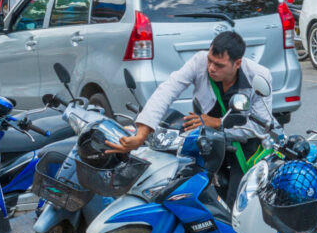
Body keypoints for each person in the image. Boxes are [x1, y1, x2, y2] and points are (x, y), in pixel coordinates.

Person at [108, 31, 274, 198]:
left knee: (237, 198)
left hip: (245, 147)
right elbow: (167, 90)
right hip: (208, 141)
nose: (211, 68)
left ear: (237, 63)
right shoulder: (199, 61)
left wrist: (217, 123)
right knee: (190, 191)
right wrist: (141, 135)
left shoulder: (259, 76)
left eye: (219, 65)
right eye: (210, 61)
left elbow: (260, 126)